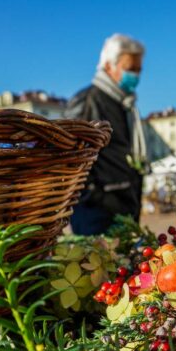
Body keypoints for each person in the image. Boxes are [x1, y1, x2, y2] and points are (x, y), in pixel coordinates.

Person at [65, 34, 148, 235]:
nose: (136, 76)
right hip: (97, 213)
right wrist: (99, 197)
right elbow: (71, 160)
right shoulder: (88, 101)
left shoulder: (126, 106)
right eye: (130, 69)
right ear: (109, 66)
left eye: (139, 70)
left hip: (124, 208)